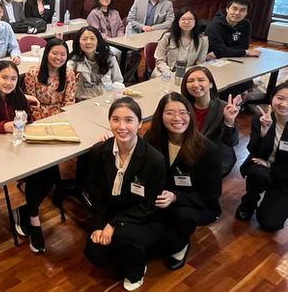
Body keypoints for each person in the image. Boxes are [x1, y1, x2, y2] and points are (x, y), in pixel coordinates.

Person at [0, 61, 54, 253]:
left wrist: (28, 125)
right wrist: (2, 127)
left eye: (13, 78)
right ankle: (34, 221)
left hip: (19, 147)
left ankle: (27, 211)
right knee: (35, 173)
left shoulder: (19, 98)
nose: (9, 83)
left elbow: (29, 121)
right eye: (4, 77)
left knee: (51, 168)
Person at [85, 97, 166, 291]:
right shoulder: (99, 151)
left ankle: (137, 271)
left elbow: (148, 206)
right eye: (115, 119)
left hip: (144, 217)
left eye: (129, 120)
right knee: (96, 255)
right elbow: (95, 192)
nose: (122, 126)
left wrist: (114, 225)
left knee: (124, 237)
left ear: (140, 123)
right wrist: (99, 225)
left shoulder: (154, 160)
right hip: (112, 211)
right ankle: (123, 249)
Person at [145, 93, 222, 271]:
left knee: (181, 215)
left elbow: (210, 196)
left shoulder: (208, 150)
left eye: (182, 112)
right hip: (161, 197)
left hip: (195, 204)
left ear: (190, 115)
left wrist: (176, 197)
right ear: (160, 115)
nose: (177, 118)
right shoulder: (152, 138)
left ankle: (180, 246)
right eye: (170, 112)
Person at [236, 82, 288, 231]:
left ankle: (272, 199)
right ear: (273, 97)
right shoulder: (262, 117)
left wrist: (270, 166)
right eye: (280, 98)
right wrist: (264, 131)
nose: (284, 104)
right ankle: (249, 202)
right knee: (258, 174)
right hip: (260, 166)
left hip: (285, 177)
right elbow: (253, 150)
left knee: (270, 223)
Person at [180, 66, 240, 177]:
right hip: (189, 155)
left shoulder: (224, 108)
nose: (195, 84)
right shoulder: (184, 107)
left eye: (201, 80)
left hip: (214, 159)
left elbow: (231, 142)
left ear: (211, 84)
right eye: (190, 81)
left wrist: (229, 121)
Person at [24, 37, 76, 120]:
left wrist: (62, 118)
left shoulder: (69, 73)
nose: (58, 57)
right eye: (55, 53)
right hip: (39, 115)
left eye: (63, 54)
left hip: (62, 114)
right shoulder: (33, 73)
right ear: (47, 53)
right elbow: (32, 103)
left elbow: (69, 101)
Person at [68, 26, 123, 100]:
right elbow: (66, 75)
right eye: (84, 39)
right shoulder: (74, 59)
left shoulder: (108, 57)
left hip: (105, 98)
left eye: (92, 38)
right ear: (78, 43)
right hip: (82, 99)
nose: (88, 42)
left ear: (98, 42)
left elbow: (118, 79)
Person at [152, 8, 209, 78]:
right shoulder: (168, 37)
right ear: (178, 21)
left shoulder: (203, 40)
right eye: (183, 19)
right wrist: (169, 73)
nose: (186, 22)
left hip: (188, 74)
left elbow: (200, 63)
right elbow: (160, 60)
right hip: (165, 72)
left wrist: (188, 75)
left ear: (195, 21)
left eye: (190, 19)